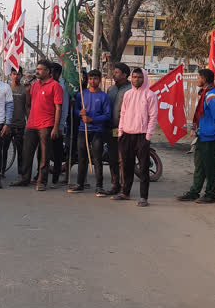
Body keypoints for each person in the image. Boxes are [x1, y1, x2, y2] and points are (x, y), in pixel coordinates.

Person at [10, 60, 63, 191]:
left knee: (45, 155)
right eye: (37, 69)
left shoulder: (55, 86)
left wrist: (56, 127)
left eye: (40, 69)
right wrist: (27, 91)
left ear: (48, 71)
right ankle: (24, 178)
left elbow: (58, 108)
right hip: (32, 124)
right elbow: (29, 104)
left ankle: (41, 181)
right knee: (27, 152)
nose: (37, 71)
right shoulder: (34, 85)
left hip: (46, 125)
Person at [177, 69, 215, 204]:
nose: (197, 80)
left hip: (211, 137)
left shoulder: (211, 96)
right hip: (203, 135)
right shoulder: (205, 94)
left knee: (210, 167)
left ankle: (210, 195)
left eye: (198, 77)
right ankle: (194, 192)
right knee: (199, 165)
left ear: (204, 79)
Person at [113, 68, 158, 207]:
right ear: (131, 78)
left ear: (144, 78)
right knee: (127, 165)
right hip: (126, 134)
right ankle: (125, 192)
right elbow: (123, 113)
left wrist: (148, 135)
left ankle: (144, 196)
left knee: (143, 167)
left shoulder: (150, 95)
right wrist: (120, 132)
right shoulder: (127, 94)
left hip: (142, 136)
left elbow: (153, 116)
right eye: (134, 77)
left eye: (139, 77)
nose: (136, 80)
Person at [68, 69, 111, 193]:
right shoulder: (81, 94)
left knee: (97, 158)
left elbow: (107, 115)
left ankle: (99, 186)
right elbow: (75, 110)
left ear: (99, 80)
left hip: (97, 131)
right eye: (91, 79)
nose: (93, 81)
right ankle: (79, 184)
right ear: (88, 79)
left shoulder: (104, 96)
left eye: (95, 79)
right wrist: (79, 113)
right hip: (83, 130)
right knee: (82, 158)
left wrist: (92, 119)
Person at [100, 62, 131, 196]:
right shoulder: (111, 89)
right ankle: (115, 185)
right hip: (111, 128)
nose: (114, 74)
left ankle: (125, 188)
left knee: (123, 159)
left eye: (117, 72)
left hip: (125, 129)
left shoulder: (130, 90)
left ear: (124, 75)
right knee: (112, 158)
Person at [2, 66, 28, 177]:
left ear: (21, 75)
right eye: (14, 74)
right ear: (10, 75)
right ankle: (0, 171)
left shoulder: (25, 90)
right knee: (3, 150)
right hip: (7, 125)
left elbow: (27, 107)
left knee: (21, 152)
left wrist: (29, 123)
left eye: (18, 74)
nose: (16, 76)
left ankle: (21, 174)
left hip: (20, 125)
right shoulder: (6, 89)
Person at [49, 62, 69, 185]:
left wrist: (60, 125)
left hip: (57, 124)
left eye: (52, 72)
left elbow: (64, 107)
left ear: (57, 73)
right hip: (45, 123)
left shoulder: (62, 86)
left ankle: (56, 175)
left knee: (57, 152)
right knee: (43, 151)